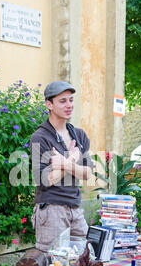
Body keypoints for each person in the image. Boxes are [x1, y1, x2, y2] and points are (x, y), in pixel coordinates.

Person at [30, 81, 93, 253]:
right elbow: (45, 180)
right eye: (63, 101)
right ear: (49, 104)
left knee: (84, 260)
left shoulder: (79, 135)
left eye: (71, 100)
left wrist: (65, 162)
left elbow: (88, 173)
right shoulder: (39, 137)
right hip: (51, 211)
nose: (69, 105)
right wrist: (73, 159)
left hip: (75, 209)